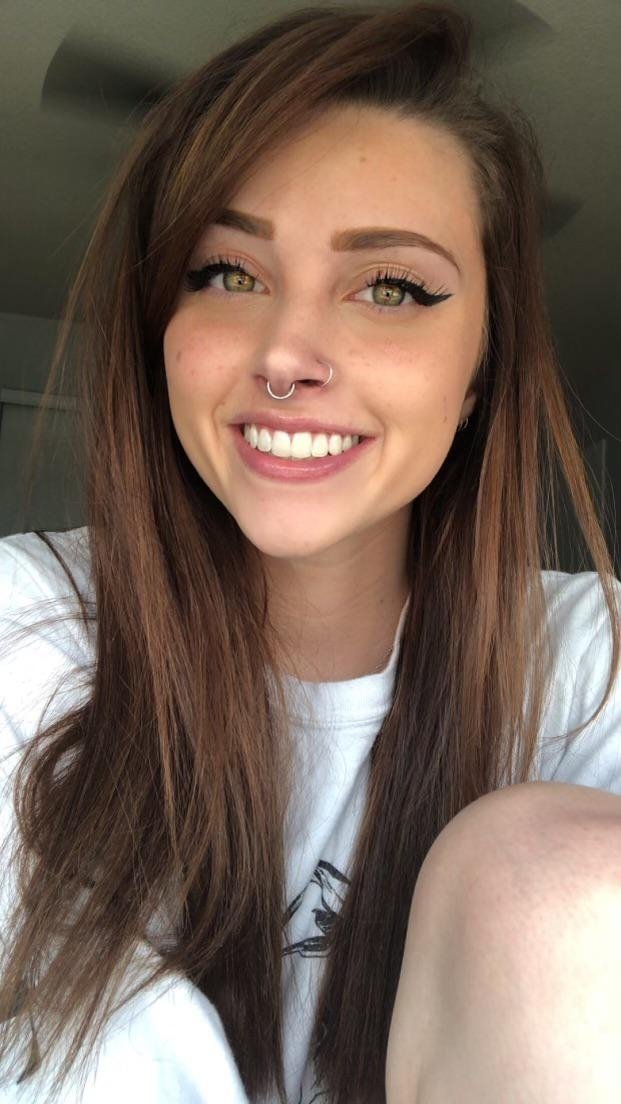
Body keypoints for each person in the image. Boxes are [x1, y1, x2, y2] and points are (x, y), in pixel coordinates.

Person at [1, 3, 620, 1102]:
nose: (286, 354)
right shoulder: (24, 629)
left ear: (478, 374)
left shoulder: (590, 662)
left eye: (390, 288)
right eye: (226, 273)